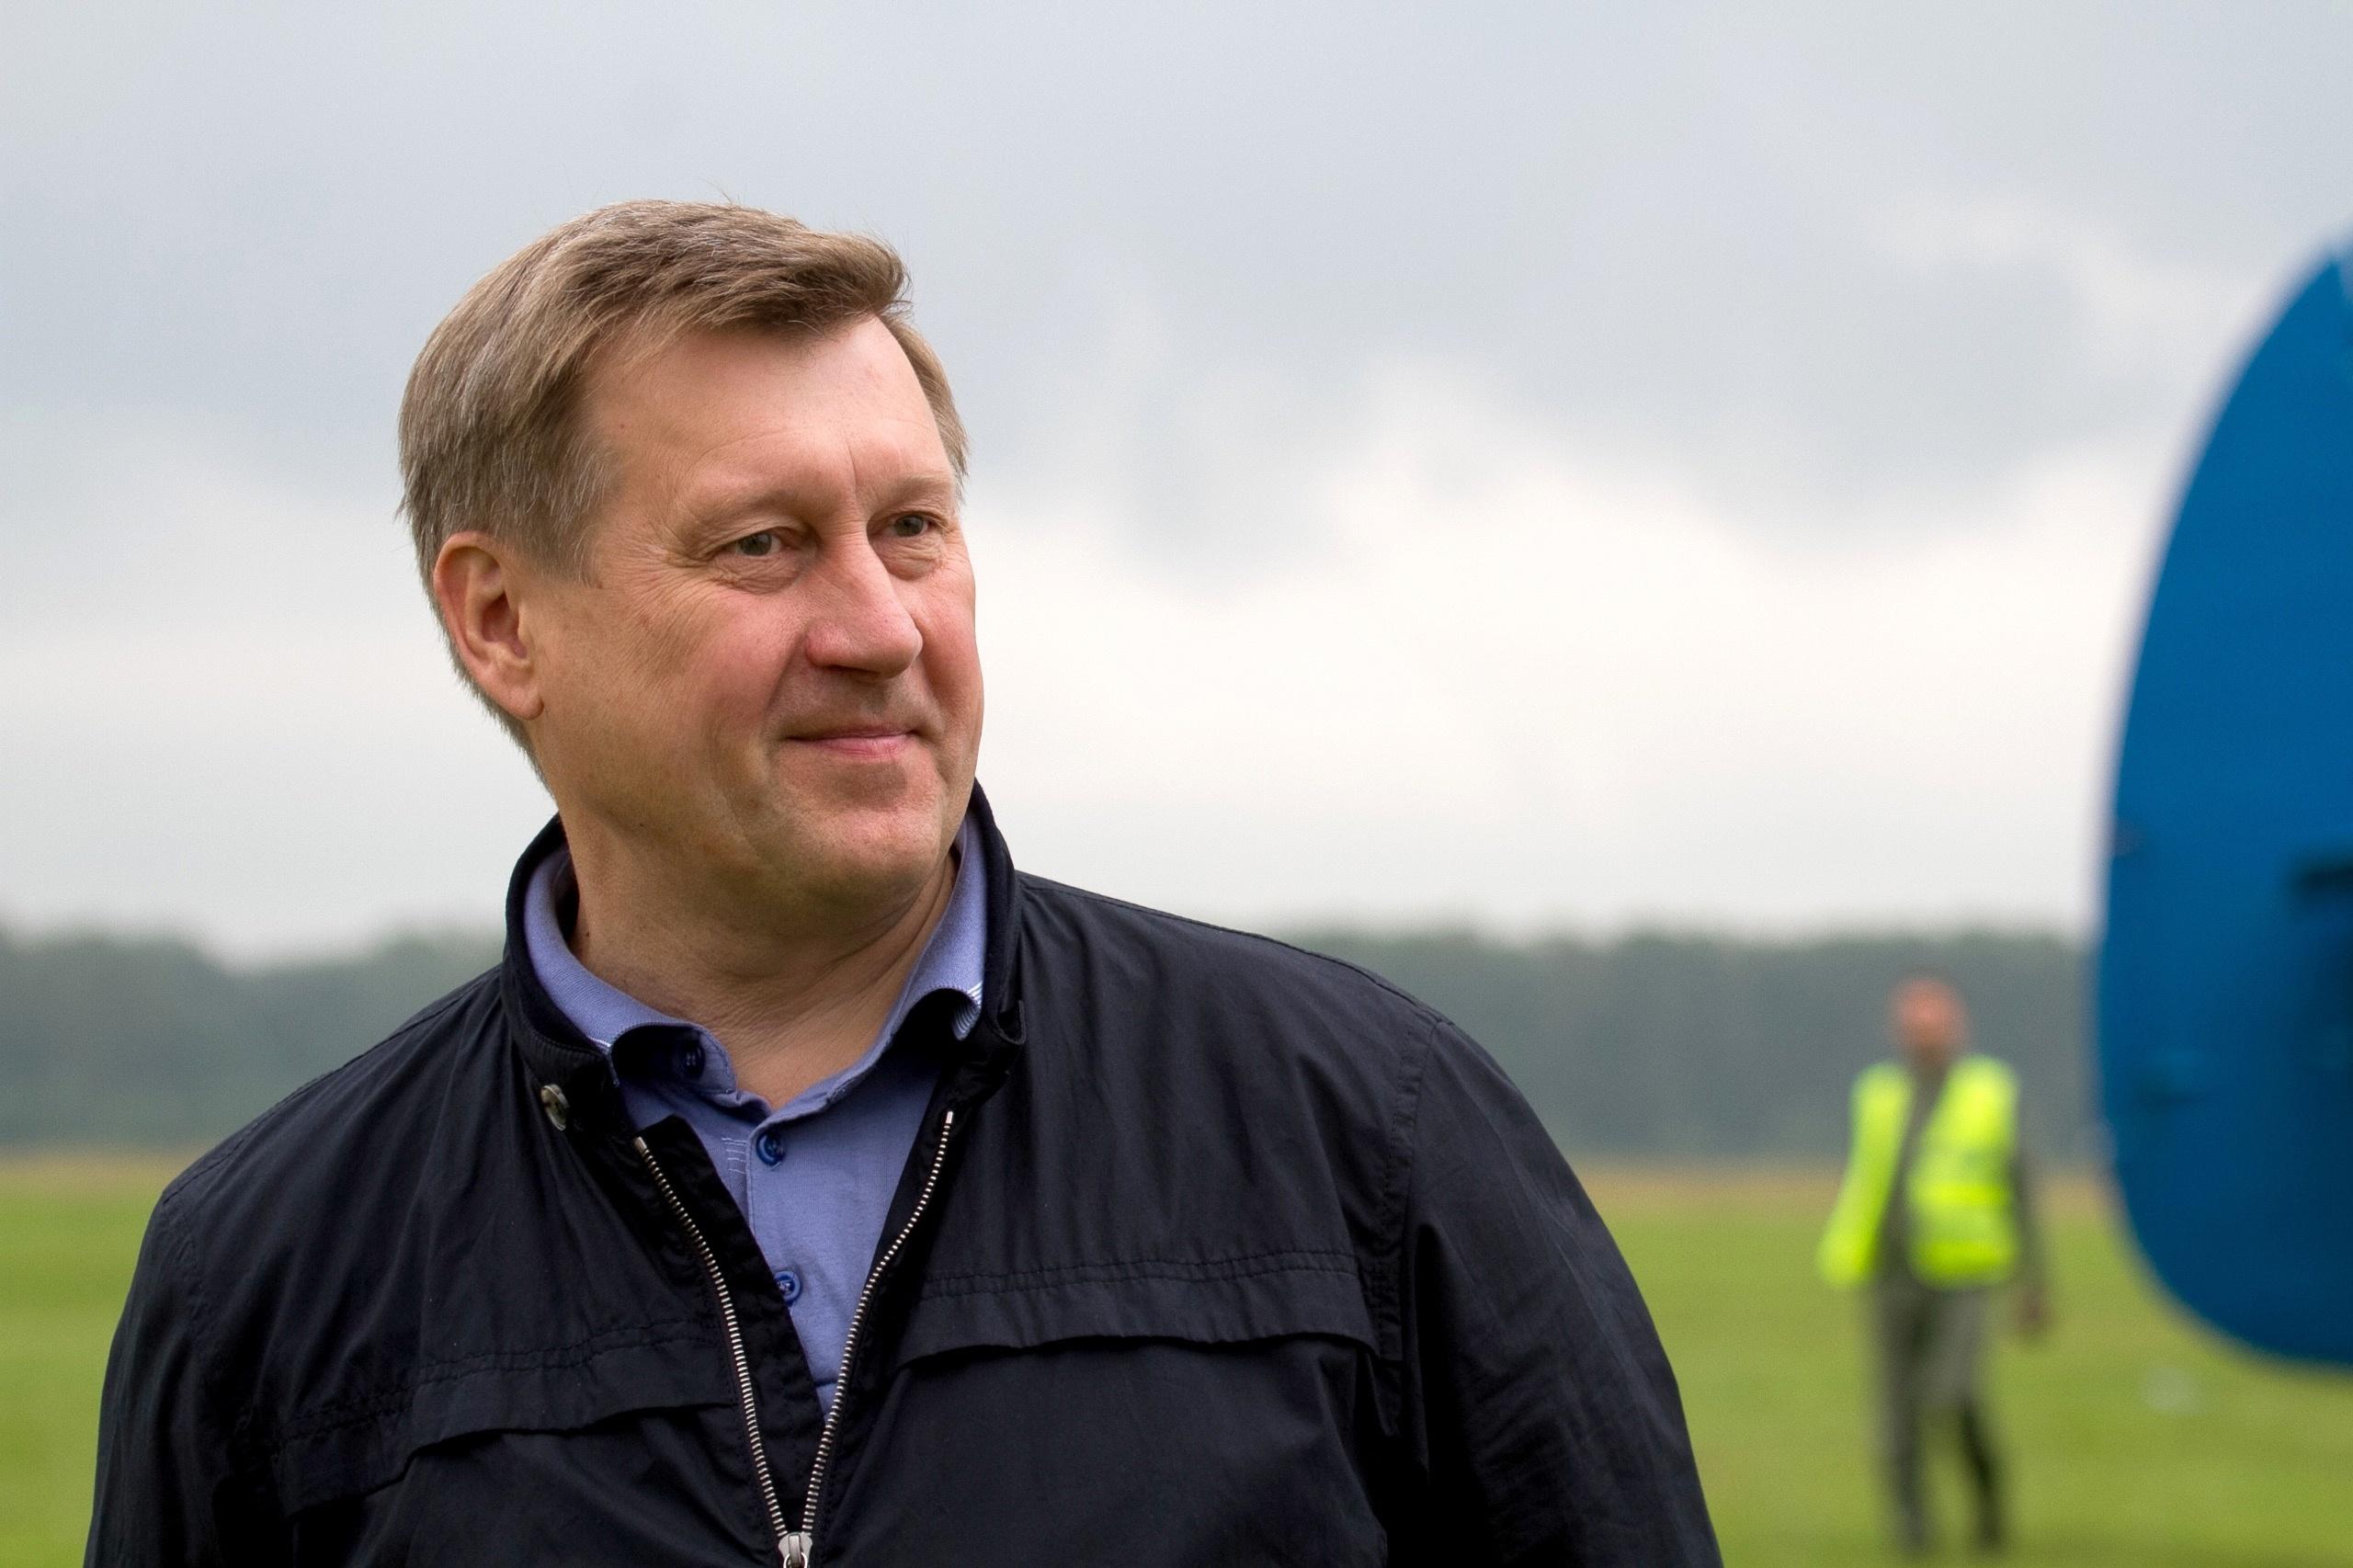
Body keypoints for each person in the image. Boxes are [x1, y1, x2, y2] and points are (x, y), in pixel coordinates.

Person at [86, 200, 1720, 1565]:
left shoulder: (1370, 1130)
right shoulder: (266, 1271)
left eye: (914, 528)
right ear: (503, 621)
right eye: (763, 544)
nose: (879, 626)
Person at [1817, 974, 2049, 1557]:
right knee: (1895, 1415)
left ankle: (1988, 1503)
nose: (1924, 1038)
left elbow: (2023, 1189)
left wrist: (2035, 1283)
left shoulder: (1990, 1092)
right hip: (1890, 1272)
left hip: (1964, 1272)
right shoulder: (1877, 1093)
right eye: (1914, 1027)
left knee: (1952, 1392)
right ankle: (1913, 1533)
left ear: (1956, 1029)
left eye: (1935, 1027)